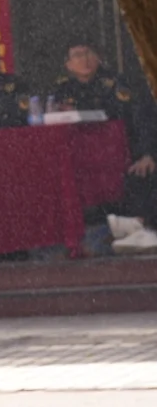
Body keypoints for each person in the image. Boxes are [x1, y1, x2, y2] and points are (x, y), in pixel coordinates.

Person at [50, 43, 157, 253]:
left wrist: (148, 153)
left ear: (99, 58)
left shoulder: (117, 83)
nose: (85, 59)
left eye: (90, 53)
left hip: (127, 153)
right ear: (69, 65)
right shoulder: (62, 90)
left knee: (139, 176)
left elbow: (140, 120)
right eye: (78, 55)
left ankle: (140, 228)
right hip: (83, 160)